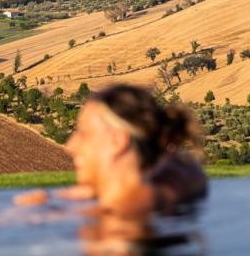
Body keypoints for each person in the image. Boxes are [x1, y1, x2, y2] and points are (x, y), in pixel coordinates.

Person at [15, 84, 207, 216]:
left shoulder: (121, 216)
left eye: (84, 133)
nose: (71, 145)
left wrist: (44, 213)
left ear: (117, 141)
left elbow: (122, 207)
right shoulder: (182, 175)